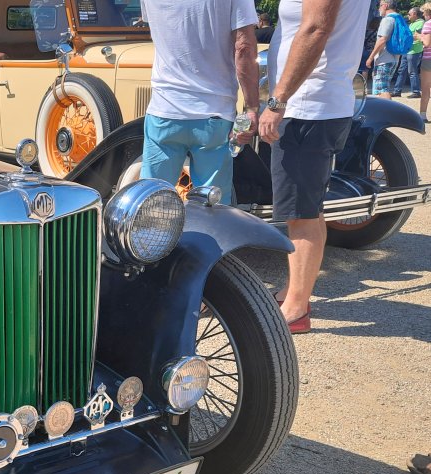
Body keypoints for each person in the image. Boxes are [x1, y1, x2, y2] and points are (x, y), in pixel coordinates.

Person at [259, 0, 368, 334]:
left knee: (300, 214)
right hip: (316, 103)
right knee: (309, 209)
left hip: (307, 106)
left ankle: (296, 309)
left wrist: (277, 101)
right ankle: (294, 293)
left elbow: (315, 29)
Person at [139, 0, 260, 205]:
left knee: (152, 201)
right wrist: (251, 108)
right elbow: (244, 47)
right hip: (215, 113)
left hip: (164, 108)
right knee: (213, 207)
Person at [366, 0, 404, 99]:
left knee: (381, 91)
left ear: (386, 6)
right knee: (384, 89)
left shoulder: (387, 20)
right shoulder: (398, 18)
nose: (379, 8)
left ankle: (389, 109)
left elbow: (382, 40)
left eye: (380, 5)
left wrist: (370, 57)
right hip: (394, 58)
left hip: (384, 59)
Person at [391, 7, 424, 97]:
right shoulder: (412, 23)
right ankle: (397, 91)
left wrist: (407, 37)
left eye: (409, 14)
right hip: (407, 50)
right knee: (401, 70)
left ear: (415, 14)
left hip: (414, 50)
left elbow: (418, 36)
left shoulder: (421, 23)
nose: (408, 16)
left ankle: (416, 92)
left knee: (412, 71)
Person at [418, 3, 431, 120]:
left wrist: (419, 37)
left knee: (426, 88)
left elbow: (427, 43)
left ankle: (422, 115)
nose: (422, 14)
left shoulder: (428, 24)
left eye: (423, 12)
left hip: (429, 58)